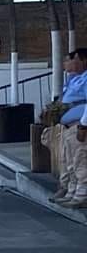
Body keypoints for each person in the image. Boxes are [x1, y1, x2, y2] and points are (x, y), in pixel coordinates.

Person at [50, 49, 87, 205]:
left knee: (80, 160)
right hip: (68, 127)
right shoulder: (74, 79)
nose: (65, 63)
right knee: (69, 162)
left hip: (79, 125)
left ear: (82, 60)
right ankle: (71, 191)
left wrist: (84, 125)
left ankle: (82, 195)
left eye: (69, 60)